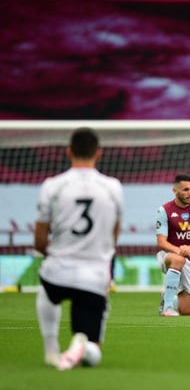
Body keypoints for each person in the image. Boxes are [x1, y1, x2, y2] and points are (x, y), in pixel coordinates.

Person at [34, 127, 123, 370]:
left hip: (57, 272)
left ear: (69, 151)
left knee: (46, 292)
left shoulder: (52, 185)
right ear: (99, 153)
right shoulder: (113, 187)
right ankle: (82, 342)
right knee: (93, 352)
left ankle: (51, 348)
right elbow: (113, 235)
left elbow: (40, 241)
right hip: (94, 278)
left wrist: (59, 252)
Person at [156, 174, 190, 316]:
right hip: (168, 255)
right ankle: (167, 307)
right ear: (175, 190)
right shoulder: (165, 210)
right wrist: (179, 250)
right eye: (185, 190)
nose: (189, 193)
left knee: (188, 311)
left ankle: (167, 295)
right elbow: (161, 242)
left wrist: (189, 249)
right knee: (178, 259)